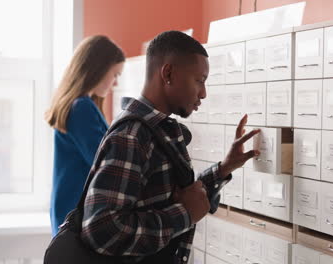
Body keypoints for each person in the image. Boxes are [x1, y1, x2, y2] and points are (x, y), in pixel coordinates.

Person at [80, 30, 260, 263]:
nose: (203, 93)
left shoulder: (161, 130)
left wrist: (224, 168)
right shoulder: (132, 135)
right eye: (200, 80)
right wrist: (183, 215)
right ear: (168, 73)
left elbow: (181, 199)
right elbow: (102, 231)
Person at [45, 35, 125, 236]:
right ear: (98, 68)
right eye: (114, 74)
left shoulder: (82, 105)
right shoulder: (82, 107)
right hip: (75, 213)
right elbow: (103, 160)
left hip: (68, 208)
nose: (115, 83)